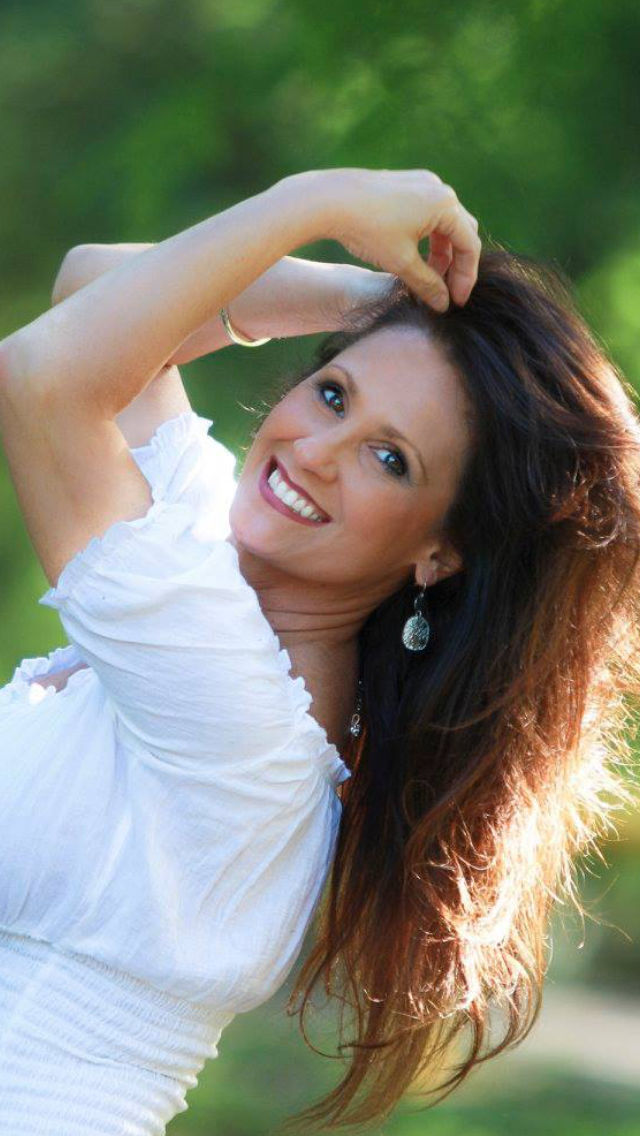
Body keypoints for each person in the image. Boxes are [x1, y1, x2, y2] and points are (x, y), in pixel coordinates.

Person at [0, 168, 637, 1135]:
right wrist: (386, 299)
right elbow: (93, 288)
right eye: (334, 394)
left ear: (439, 550)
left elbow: (43, 377)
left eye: (391, 459)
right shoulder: (224, 584)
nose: (314, 452)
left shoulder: (236, 706)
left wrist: (317, 200)